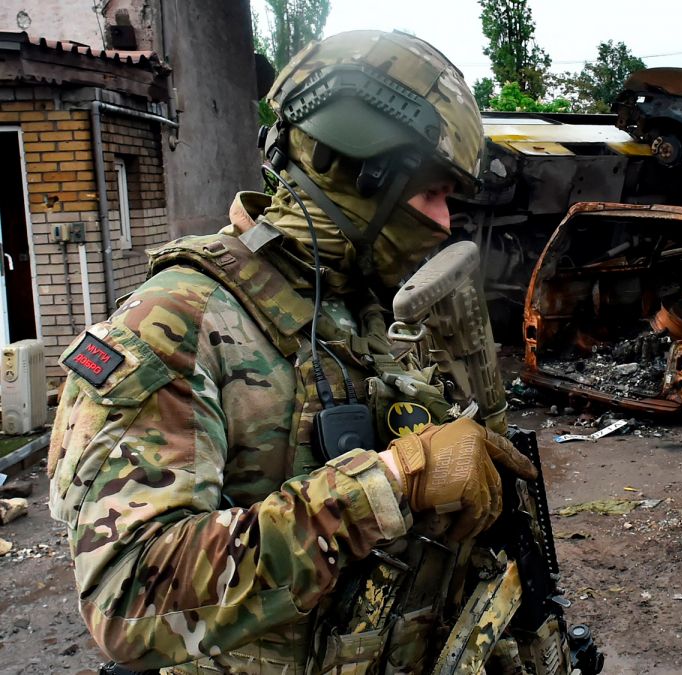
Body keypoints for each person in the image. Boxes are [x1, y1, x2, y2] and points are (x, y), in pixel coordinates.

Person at [47, 30, 535, 674]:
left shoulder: (358, 309)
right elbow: (128, 597)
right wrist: (388, 484)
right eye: (432, 194)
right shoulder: (176, 320)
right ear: (360, 172)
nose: (446, 223)